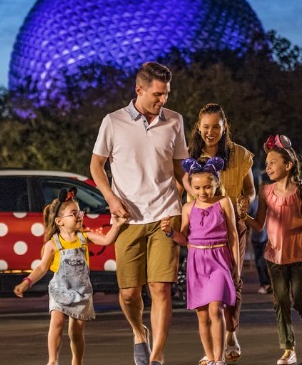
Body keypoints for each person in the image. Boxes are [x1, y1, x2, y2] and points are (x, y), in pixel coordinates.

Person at [90, 61, 189, 365]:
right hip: (128, 219)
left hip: (165, 214)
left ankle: (156, 357)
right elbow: (96, 166)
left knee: (160, 288)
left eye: (167, 94)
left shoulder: (174, 121)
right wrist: (110, 198)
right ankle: (138, 332)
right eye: (158, 94)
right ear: (140, 90)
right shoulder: (113, 121)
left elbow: (179, 167)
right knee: (130, 293)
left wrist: (194, 192)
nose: (163, 100)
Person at [13, 187, 128, 365]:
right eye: (73, 213)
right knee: (57, 322)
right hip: (60, 289)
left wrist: (118, 225)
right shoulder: (53, 244)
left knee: (76, 331)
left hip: (81, 291)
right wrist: (27, 282)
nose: (79, 215)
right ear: (59, 221)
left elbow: (107, 240)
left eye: (80, 212)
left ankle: (77, 361)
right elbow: (42, 267)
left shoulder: (84, 237)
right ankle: (52, 360)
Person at [186, 103, 255, 365]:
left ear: (225, 127)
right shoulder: (191, 154)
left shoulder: (239, 154)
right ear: (198, 128)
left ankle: (231, 333)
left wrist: (246, 201)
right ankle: (214, 349)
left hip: (232, 225)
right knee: (207, 296)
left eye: (216, 126)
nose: (211, 132)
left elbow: (250, 189)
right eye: (206, 127)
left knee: (233, 281)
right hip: (202, 232)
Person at [243, 134, 302, 365]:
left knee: (300, 300)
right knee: (281, 302)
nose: (268, 167)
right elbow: (258, 224)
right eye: (266, 164)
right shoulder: (265, 192)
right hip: (274, 255)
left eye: (273, 163)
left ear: (288, 165)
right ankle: (288, 349)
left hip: (299, 252)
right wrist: (243, 216)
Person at [161, 157, 240, 365]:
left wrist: (236, 267)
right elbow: (184, 239)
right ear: (192, 187)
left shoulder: (223, 202)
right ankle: (211, 357)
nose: (203, 192)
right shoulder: (188, 207)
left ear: (216, 184)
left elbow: (232, 236)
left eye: (207, 187)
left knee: (216, 308)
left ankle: (220, 358)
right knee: (202, 314)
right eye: (197, 188)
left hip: (219, 258)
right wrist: (170, 232)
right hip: (197, 260)